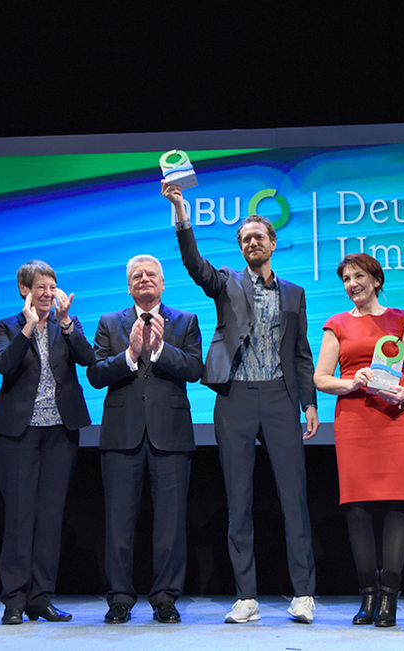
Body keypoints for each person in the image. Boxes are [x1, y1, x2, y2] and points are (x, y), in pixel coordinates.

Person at [163, 180, 319, 624]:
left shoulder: (294, 293)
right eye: (245, 238)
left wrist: (308, 403)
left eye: (259, 237)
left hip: (279, 397)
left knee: (294, 498)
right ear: (241, 247)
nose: (252, 242)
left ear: (272, 244)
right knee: (239, 498)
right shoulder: (227, 282)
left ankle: (303, 593)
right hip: (234, 398)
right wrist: (180, 212)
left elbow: (302, 352)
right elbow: (194, 264)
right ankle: (246, 596)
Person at [313, 253, 404, 628]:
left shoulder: (402, 319)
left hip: (396, 418)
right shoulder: (337, 325)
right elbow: (321, 378)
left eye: (358, 276)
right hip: (355, 421)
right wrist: (351, 383)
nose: (352, 284)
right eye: (346, 279)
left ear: (376, 279)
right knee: (357, 508)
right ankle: (367, 596)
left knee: (398, 505)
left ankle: (390, 599)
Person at [87, 254, 203, 624]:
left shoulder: (185, 321)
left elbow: (195, 368)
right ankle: (120, 598)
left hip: (170, 436)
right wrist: (131, 354)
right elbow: (96, 374)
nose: (144, 279)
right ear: (129, 285)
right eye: (136, 275)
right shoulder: (109, 323)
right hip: (122, 436)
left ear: (163, 283)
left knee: (170, 524)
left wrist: (158, 350)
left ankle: (165, 598)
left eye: (151, 274)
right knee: (118, 523)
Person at [0, 260, 94, 625]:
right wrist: (30, 327)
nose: (48, 293)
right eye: (40, 287)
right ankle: (14, 599)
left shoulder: (69, 324)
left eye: (52, 287)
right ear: (24, 290)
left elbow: (88, 359)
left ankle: (41, 597)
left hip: (60, 431)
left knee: (50, 516)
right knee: (20, 516)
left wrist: (65, 324)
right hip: (19, 432)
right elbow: (3, 364)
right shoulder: (6, 326)